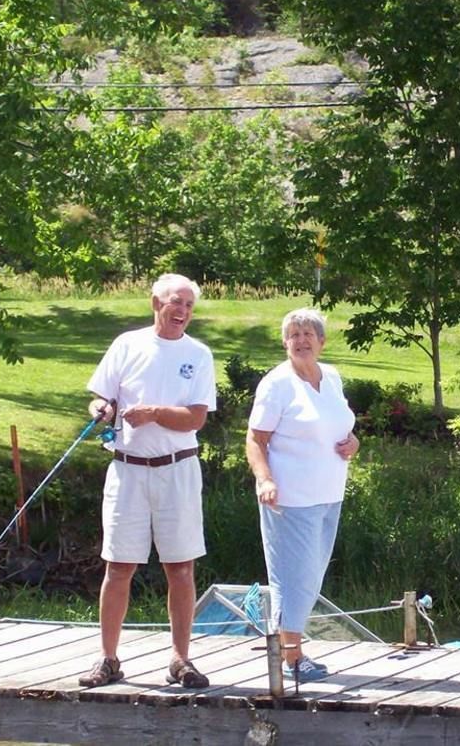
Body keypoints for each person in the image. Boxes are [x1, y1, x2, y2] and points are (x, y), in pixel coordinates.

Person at [78, 273, 217, 689]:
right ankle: (107, 659)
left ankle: (180, 659)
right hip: (127, 469)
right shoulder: (127, 344)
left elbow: (196, 418)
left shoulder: (199, 353)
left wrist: (154, 412)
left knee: (181, 567)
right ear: (156, 302)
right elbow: (99, 398)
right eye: (177, 303)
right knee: (118, 566)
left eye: (190, 306)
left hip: (178, 469)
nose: (183, 312)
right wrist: (101, 409)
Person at [245, 308, 359, 683]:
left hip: (329, 494)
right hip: (290, 498)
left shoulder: (332, 377)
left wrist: (352, 443)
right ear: (285, 342)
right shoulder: (276, 384)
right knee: (292, 577)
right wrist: (264, 479)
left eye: (308, 334)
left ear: (322, 342)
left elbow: (339, 425)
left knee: (312, 575)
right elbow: (255, 439)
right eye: (294, 335)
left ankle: (291, 650)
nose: (301, 340)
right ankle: (291, 657)